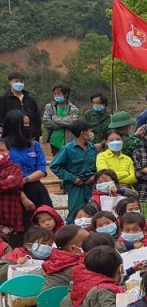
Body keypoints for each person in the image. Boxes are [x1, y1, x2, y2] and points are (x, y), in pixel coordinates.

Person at [2, 110, 51, 241]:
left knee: (44, 226)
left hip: (35, 189)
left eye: (29, 124)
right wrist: (22, 195)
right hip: (12, 193)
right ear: (14, 126)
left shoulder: (34, 145)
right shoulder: (3, 147)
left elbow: (41, 169)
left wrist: (23, 180)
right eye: (24, 124)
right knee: (18, 232)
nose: (28, 128)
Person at [50, 120, 98, 221]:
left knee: (94, 213)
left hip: (91, 186)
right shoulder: (67, 149)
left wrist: (95, 176)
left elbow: (97, 166)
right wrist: (72, 178)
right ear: (82, 133)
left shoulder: (92, 148)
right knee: (75, 214)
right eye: (89, 131)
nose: (91, 134)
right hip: (76, 187)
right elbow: (54, 166)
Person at [0, 72, 42, 140]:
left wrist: (37, 134)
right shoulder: (3, 100)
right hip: (11, 138)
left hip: (30, 137)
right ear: (10, 82)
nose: (19, 83)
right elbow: (1, 118)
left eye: (21, 81)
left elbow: (37, 119)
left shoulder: (30, 100)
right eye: (16, 81)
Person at [42, 84, 79, 154]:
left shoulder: (73, 109)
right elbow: (46, 121)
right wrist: (65, 123)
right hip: (54, 141)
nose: (56, 95)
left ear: (66, 94)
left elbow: (72, 123)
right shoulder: (50, 106)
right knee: (57, 162)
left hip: (68, 141)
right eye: (55, 94)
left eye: (58, 93)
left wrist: (55, 118)